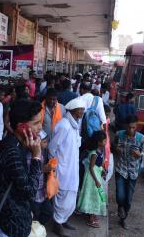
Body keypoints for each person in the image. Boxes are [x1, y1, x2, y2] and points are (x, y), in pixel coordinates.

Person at [0, 99, 43, 237]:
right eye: (36, 123)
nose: (40, 127)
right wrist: (36, 157)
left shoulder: (16, 144)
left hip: (15, 217)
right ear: (21, 127)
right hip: (9, 225)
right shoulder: (12, 151)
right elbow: (30, 192)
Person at [49, 98, 85, 237]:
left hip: (72, 167)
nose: (82, 112)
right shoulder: (63, 125)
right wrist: (55, 167)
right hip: (63, 168)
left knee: (70, 196)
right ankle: (57, 224)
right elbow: (52, 148)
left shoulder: (75, 125)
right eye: (80, 109)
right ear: (74, 111)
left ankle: (64, 220)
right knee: (62, 196)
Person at [113, 114, 144, 229]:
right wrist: (117, 149)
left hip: (133, 171)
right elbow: (114, 146)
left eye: (133, 127)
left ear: (136, 126)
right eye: (129, 127)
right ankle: (120, 207)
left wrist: (139, 154)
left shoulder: (141, 138)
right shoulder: (119, 134)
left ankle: (123, 218)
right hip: (121, 169)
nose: (131, 130)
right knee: (120, 195)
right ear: (125, 126)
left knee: (129, 198)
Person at [77, 131, 107, 228]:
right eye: (104, 140)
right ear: (99, 142)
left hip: (96, 174)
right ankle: (91, 218)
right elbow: (91, 167)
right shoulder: (94, 153)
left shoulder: (99, 151)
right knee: (92, 195)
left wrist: (102, 170)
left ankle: (92, 215)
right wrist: (96, 180)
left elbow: (99, 164)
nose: (106, 142)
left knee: (95, 195)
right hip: (91, 177)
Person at [27, 130, 53, 226]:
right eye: (45, 142)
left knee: (48, 212)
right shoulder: (30, 156)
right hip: (35, 194)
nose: (47, 144)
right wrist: (43, 169)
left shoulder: (42, 154)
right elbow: (30, 172)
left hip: (42, 191)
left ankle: (39, 227)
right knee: (35, 215)